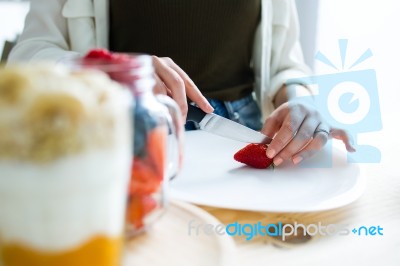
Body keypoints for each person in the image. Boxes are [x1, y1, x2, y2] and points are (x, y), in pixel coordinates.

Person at [8, 0, 355, 166]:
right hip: (124, 133)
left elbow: (286, 64)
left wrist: (299, 101)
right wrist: (114, 70)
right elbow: (26, 56)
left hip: (243, 135)